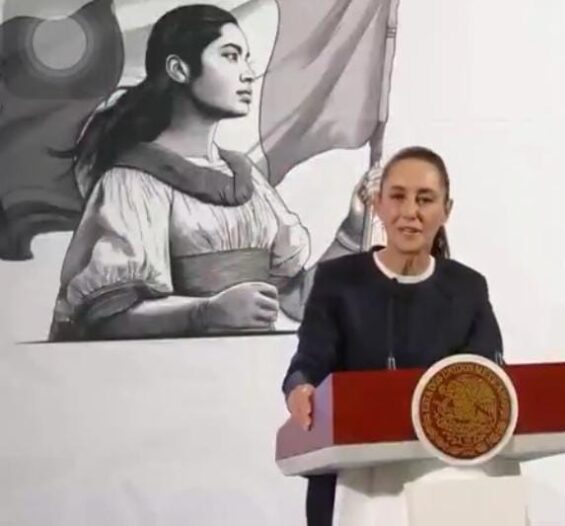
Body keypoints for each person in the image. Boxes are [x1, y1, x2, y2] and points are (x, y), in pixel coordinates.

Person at [47, 4, 377, 341]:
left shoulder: (247, 180)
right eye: (230, 56)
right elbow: (106, 317)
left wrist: (352, 230)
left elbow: (297, 301)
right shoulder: (132, 182)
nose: (247, 73)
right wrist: (207, 312)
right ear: (179, 69)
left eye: (246, 58)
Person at [282, 145, 504, 525]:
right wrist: (299, 388)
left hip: (445, 484)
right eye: (398, 197)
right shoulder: (337, 281)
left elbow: (487, 377)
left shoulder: (467, 288)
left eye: (425, 199)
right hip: (351, 483)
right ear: (378, 204)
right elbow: (310, 361)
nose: (410, 212)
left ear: (446, 210)